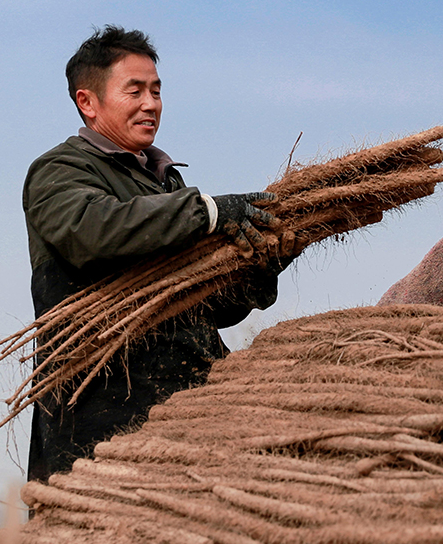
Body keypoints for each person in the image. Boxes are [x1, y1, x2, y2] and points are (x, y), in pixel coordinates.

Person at [23, 26, 284, 481]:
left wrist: (260, 265)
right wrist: (205, 212)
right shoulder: (58, 172)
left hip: (192, 407)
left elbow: (205, 308)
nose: (151, 104)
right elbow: (91, 231)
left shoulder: (167, 184)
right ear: (88, 102)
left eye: (157, 91)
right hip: (104, 413)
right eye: (135, 90)